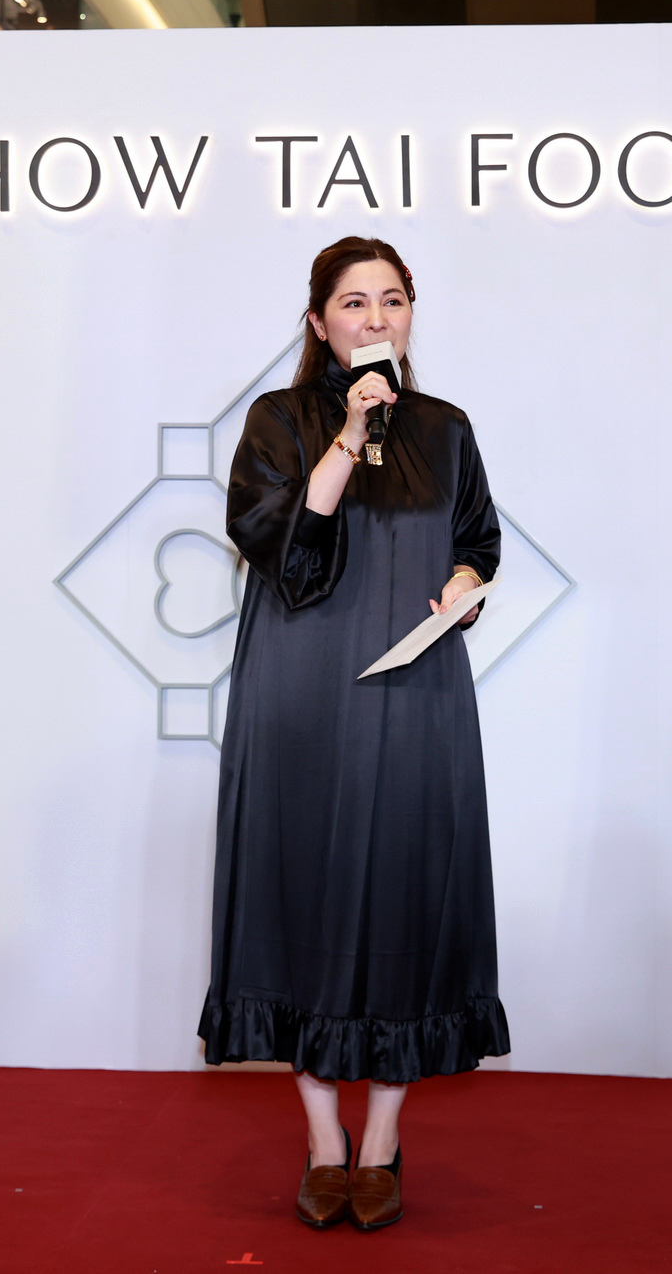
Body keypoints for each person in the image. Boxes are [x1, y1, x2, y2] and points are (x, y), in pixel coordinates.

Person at [198, 237, 509, 1232]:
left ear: (411, 313)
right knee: (304, 894)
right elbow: (281, 554)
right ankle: (322, 1142)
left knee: (403, 896)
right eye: (354, 303)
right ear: (319, 321)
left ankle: (381, 1142)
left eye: (393, 301)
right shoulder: (278, 420)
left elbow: (477, 542)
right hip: (301, 693)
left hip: (415, 694)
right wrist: (348, 432)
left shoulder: (448, 429)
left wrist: (464, 587)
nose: (377, 319)